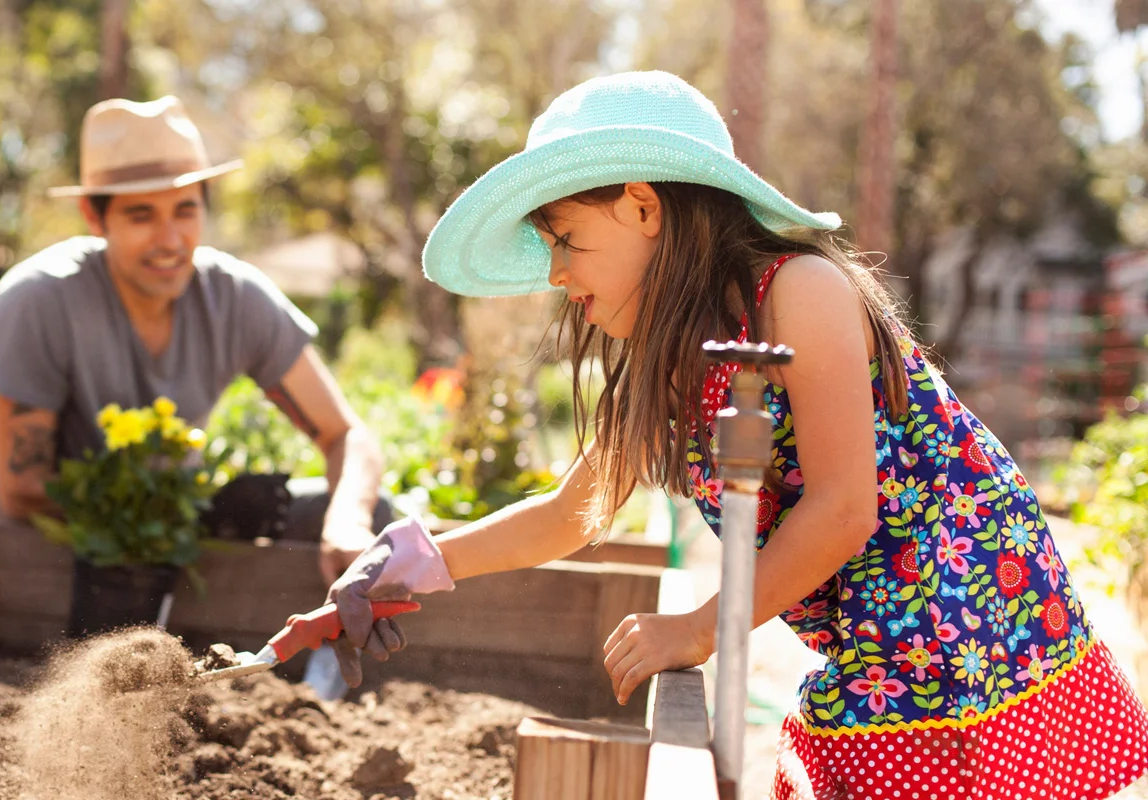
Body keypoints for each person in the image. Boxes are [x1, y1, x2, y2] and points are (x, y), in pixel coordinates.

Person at [326, 71, 1148, 799]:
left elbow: (839, 510)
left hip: (972, 638)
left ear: (644, 206)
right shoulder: (670, 357)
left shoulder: (801, 290)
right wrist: (410, 563)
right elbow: (572, 513)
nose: (556, 273)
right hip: (877, 655)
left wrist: (695, 628)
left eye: (566, 240)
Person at [0, 95, 389, 586]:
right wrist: (185, 521)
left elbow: (346, 435)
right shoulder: (37, 302)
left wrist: (348, 522)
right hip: (35, 564)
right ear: (95, 217)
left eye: (185, 211)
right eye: (141, 215)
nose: (169, 239)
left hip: (169, 545)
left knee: (378, 516)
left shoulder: (234, 298)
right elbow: (25, 492)